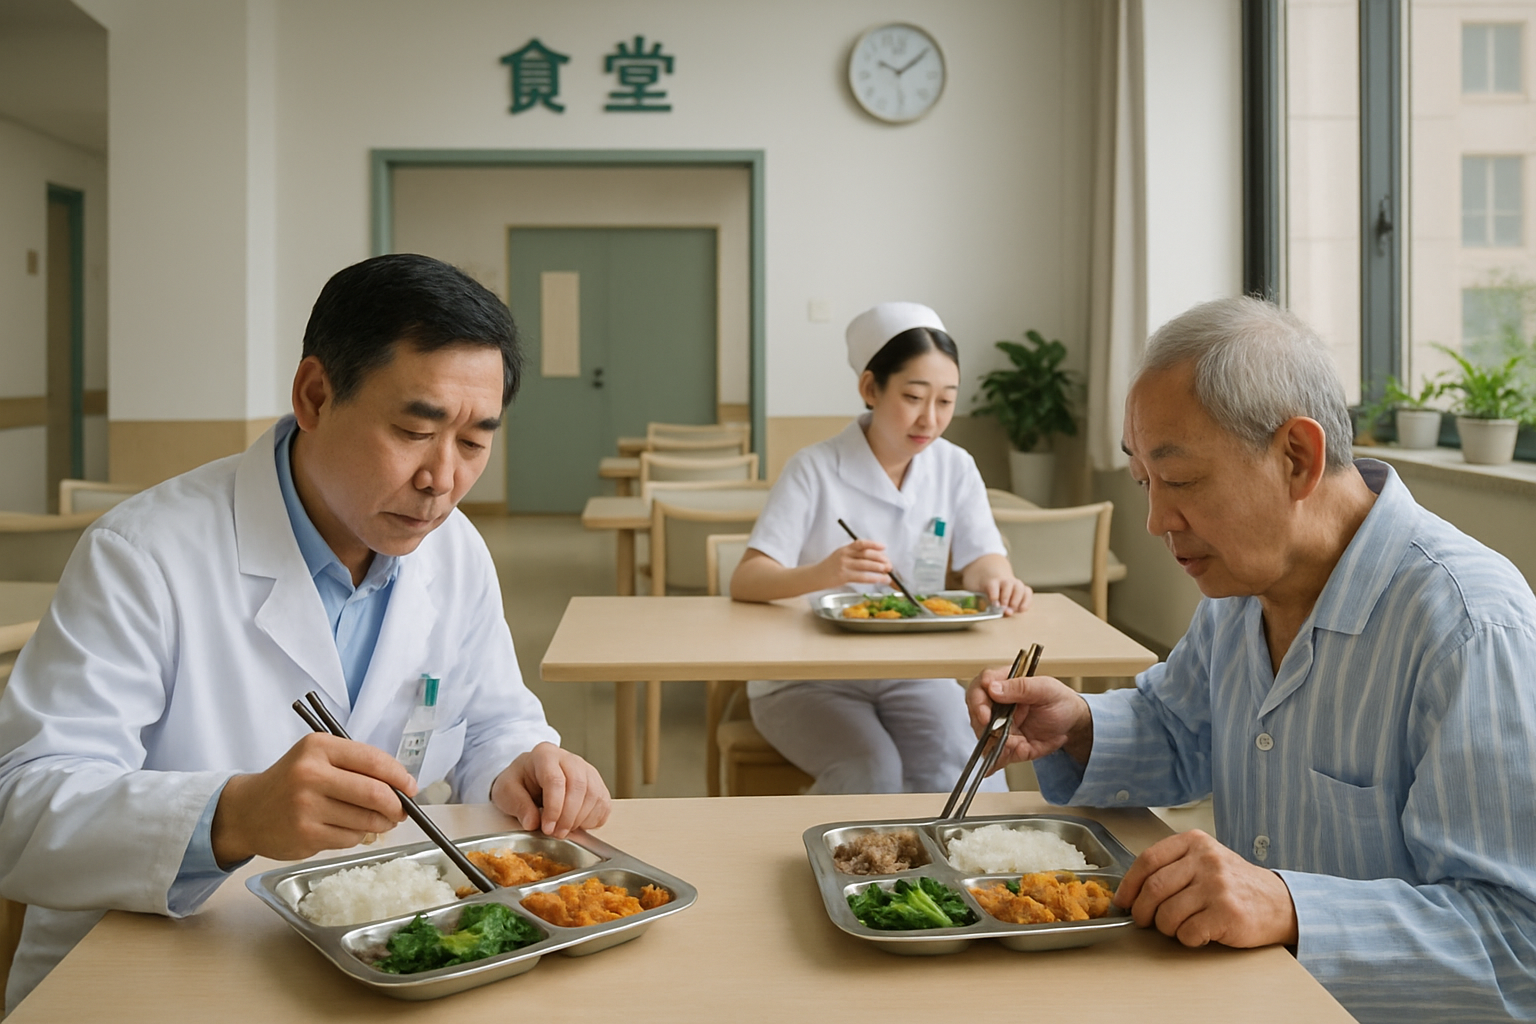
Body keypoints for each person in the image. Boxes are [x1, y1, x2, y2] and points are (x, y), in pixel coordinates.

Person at [0, 254, 611, 1010]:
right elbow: (19, 808)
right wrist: (231, 817)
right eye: (413, 430)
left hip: (372, 952)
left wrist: (527, 762)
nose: (441, 479)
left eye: (475, 442)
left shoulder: (453, 551)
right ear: (316, 395)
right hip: (147, 968)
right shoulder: (145, 554)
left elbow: (492, 720)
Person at [967, 296, 1536, 1023]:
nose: (1155, 522)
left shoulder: (1467, 626)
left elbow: (1516, 943)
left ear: (1296, 457)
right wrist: (1076, 724)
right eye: (1143, 481)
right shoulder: (1239, 591)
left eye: (1179, 480)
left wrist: (1289, 906)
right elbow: (1181, 729)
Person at [731, 302, 1032, 793]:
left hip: (912, 669)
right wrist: (825, 573)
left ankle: (950, 870)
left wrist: (999, 577)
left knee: (968, 766)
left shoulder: (955, 466)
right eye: (914, 397)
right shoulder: (813, 467)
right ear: (870, 388)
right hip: (807, 678)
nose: (929, 419)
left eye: (945, 401)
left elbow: (981, 557)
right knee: (871, 771)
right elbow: (746, 579)